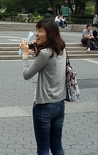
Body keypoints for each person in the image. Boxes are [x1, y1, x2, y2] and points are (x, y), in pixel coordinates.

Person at [20, 19, 67, 155]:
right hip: (59, 104)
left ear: (50, 33)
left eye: (40, 31)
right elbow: (46, 62)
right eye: (36, 30)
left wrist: (24, 55)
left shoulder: (45, 54)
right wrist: (36, 47)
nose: (36, 34)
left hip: (44, 107)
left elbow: (27, 75)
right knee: (57, 146)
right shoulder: (61, 49)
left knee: (43, 149)